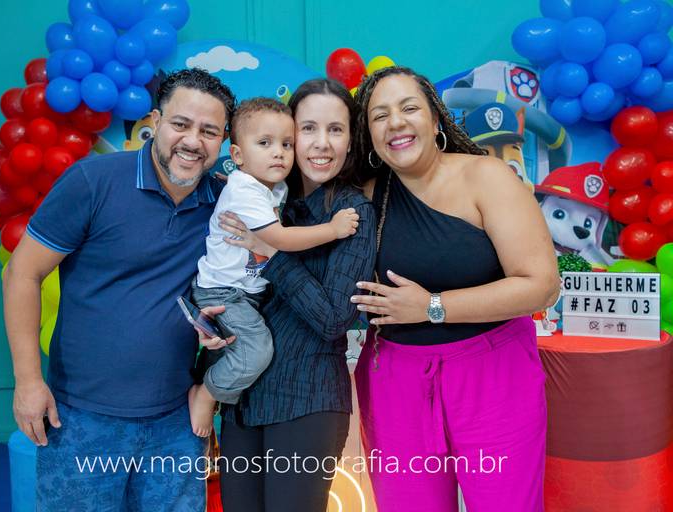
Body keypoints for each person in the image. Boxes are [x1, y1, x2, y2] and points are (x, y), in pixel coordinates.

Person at [3, 68, 236, 511]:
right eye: (181, 124)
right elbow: (22, 273)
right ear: (156, 121)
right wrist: (28, 381)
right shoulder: (92, 181)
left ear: (223, 140)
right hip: (81, 419)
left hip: (176, 420)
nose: (193, 141)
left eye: (209, 131)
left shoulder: (224, 204)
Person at [349, 66, 561, 512]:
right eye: (380, 115)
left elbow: (541, 286)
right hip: (394, 381)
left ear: (435, 119)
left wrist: (431, 306)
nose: (396, 123)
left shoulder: (487, 177)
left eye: (409, 108)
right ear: (369, 134)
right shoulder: (365, 197)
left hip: (494, 375)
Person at [205, 78, 377, 511]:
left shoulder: (351, 213)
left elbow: (333, 319)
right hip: (246, 402)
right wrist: (212, 329)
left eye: (336, 130)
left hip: (307, 398)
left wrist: (271, 253)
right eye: (308, 129)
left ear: (351, 139)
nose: (322, 143)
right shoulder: (267, 200)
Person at [189, 97, 359, 437]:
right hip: (224, 293)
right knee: (256, 351)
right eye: (264, 143)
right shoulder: (246, 191)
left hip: (242, 292)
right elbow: (279, 240)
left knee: (244, 347)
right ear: (237, 155)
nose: (278, 153)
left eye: (286, 144)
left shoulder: (268, 186)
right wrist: (333, 230)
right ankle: (206, 394)